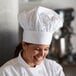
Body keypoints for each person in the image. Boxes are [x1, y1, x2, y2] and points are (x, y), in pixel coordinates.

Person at [0, 6, 65, 76]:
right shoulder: (7, 72)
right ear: (24, 45)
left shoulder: (54, 69)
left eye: (46, 49)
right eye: (37, 49)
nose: (42, 54)